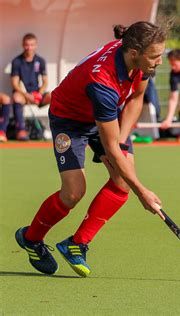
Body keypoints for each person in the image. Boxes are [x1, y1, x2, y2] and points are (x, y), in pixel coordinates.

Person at [15, 20, 170, 277]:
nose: (160, 61)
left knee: (121, 181)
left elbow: (136, 98)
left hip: (103, 118)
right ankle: (31, 238)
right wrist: (142, 192)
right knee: (73, 193)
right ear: (134, 53)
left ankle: (76, 244)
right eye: (155, 56)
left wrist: (122, 139)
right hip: (70, 119)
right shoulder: (102, 83)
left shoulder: (140, 62)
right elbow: (110, 149)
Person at [10, 33, 52, 141]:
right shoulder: (17, 61)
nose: (29, 47)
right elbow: (14, 83)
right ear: (23, 45)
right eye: (27, 45)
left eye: (32, 45)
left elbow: (45, 81)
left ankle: (60, 128)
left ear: (36, 45)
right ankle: (21, 130)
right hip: (23, 95)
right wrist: (27, 95)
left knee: (54, 96)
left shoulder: (40, 60)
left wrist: (38, 93)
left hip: (37, 94)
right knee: (16, 97)